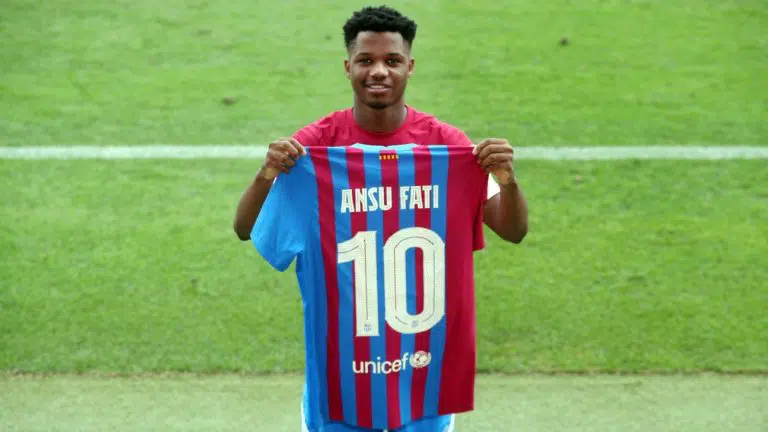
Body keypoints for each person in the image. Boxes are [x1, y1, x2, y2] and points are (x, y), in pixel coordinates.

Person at [233, 6, 528, 432]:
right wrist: (267, 174)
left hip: (424, 371)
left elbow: (513, 231)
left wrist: (508, 181)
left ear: (410, 67)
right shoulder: (315, 148)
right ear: (347, 67)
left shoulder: (446, 146)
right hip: (341, 372)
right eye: (366, 60)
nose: (379, 71)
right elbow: (245, 229)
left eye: (392, 61)